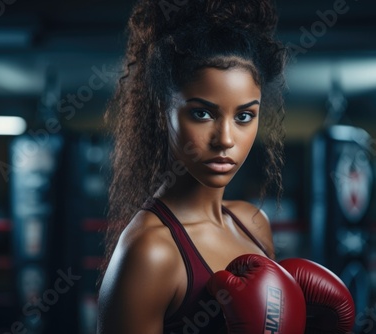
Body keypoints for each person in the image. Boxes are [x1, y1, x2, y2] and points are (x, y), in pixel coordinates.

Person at [97, 0, 288, 333]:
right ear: (163, 110)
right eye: (202, 113)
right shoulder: (150, 251)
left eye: (244, 116)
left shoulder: (254, 224)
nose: (225, 139)